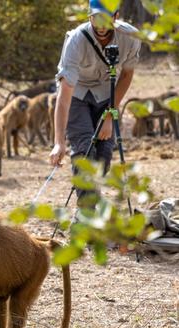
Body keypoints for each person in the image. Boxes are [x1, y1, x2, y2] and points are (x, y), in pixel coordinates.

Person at [49, 0, 141, 203]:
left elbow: (126, 76)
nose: (99, 25)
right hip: (77, 93)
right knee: (84, 150)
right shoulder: (76, 40)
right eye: (94, 18)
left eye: (105, 19)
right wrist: (59, 142)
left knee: (103, 155)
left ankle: (92, 200)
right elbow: (64, 95)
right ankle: (86, 216)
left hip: (107, 94)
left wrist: (110, 114)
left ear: (116, 16)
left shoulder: (130, 37)